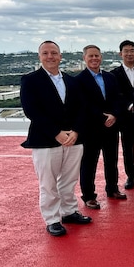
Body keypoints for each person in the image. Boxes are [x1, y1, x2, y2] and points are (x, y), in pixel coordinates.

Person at [21, 41, 92, 236]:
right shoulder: (30, 80)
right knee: (48, 183)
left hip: (73, 138)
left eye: (54, 53)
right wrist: (56, 132)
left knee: (69, 179)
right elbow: (32, 111)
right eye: (45, 53)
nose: (50, 56)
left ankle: (68, 212)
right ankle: (52, 219)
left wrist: (76, 131)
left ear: (60, 56)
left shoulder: (72, 81)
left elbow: (81, 108)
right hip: (45, 140)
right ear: (39, 57)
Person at [76, 44, 126, 210]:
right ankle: (89, 196)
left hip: (111, 126)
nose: (94, 59)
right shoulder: (79, 80)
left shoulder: (110, 77)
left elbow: (118, 98)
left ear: (101, 57)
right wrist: (103, 116)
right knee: (89, 163)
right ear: (84, 58)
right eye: (90, 56)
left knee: (111, 161)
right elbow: (83, 104)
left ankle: (112, 189)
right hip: (91, 129)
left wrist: (114, 115)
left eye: (97, 55)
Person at [111, 40, 134, 190]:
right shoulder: (114, 74)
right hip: (125, 118)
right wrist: (130, 105)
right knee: (128, 149)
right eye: (126, 51)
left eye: (132, 50)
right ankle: (131, 176)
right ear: (121, 54)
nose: (129, 53)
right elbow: (116, 95)